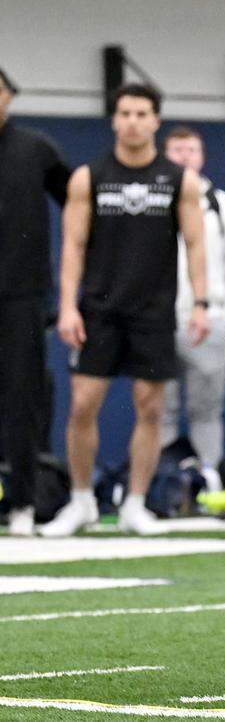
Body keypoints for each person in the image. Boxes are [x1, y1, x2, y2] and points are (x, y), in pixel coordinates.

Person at [41, 83, 209, 537]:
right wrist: (67, 307)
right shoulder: (88, 177)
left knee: (149, 407)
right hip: (98, 309)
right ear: (114, 121)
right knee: (82, 404)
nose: (133, 121)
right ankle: (81, 502)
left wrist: (200, 303)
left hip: (153, 311)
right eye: (125, 113)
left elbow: (196, 244)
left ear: (155, 121)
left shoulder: (179, 180)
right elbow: (73, 246)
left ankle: (135, 504)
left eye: (141, 113)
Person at [0, 66, 71, 537]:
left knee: (20, 398)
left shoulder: (35, 149)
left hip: (21, 296)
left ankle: (23, 503)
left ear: (9, 96)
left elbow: (79, 206)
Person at [161, 126, 225, 494]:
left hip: (210, 321)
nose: (184, 157)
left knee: (206, 409)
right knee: (159, 408)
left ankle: (209, 481)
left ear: (202, 156)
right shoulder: (155, 201)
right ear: (165, 155)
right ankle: (166, 484)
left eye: (191, 150)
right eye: (177, 150)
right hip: (161, 320)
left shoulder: (221, 204)